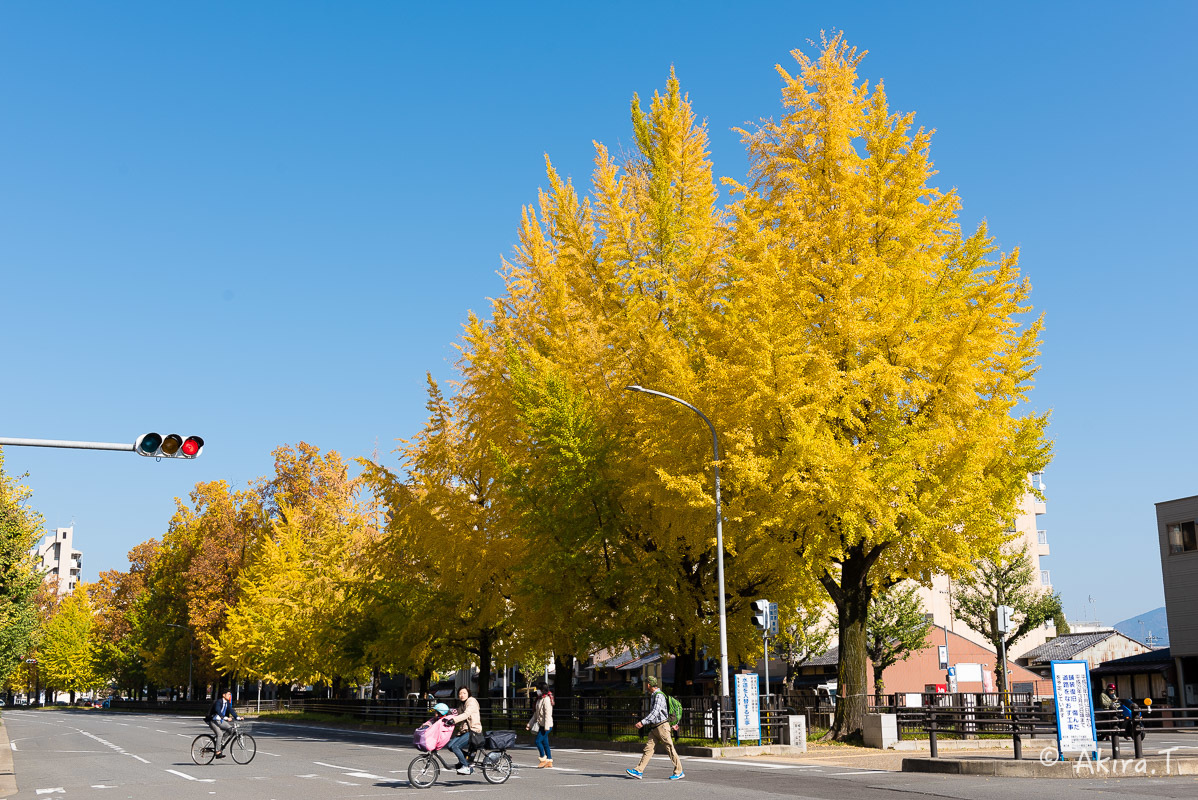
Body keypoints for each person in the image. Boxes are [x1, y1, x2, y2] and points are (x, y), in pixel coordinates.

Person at [625, 677, 683, 781]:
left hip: (662, 727)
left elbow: (655, 713)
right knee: (648, 749)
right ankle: (639, 770)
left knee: (670, 748)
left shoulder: (659, 696)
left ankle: (679, 771)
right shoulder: (654, 695)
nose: (645, 685)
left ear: (648, 685)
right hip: (655, 727)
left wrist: (643, 722)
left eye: (646, 683)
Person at [445, 686, 482, 775]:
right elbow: (456, 713)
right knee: (450, 746)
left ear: (468, 693)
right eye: (460, 693)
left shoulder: (471, 701)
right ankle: (466, 757)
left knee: (455, 747)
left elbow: (466, 714)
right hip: (464, 731)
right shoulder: (462, 704)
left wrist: (453, 721)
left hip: (473, 730)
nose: (462, 695)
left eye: (464, 693)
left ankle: (466, 766)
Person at [205, 690, 240, 758]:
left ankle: (221, 742)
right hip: (213, 721)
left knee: (231, 729)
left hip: (220, 721)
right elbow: (218, 710)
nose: (229, 696)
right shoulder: (219, 702)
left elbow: (231, 710)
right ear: (224, 695)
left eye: (230, 695)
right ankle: (217, 752)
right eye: (228, 694)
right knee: (220, 734)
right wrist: (225, 718)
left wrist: (237, 717)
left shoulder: (227, 703)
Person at [527, 682, 555, 768]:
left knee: (538, 741)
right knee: (545, 743)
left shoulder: (546, 699)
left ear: (542, 690)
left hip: (547, 725)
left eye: (538, 689)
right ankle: (549, 761)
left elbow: (547, 714)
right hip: (541, 725)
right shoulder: (539, 699)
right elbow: (536, 715)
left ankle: (543, 759)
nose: (537, 691)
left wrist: (546, 727)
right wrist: (529, 724)